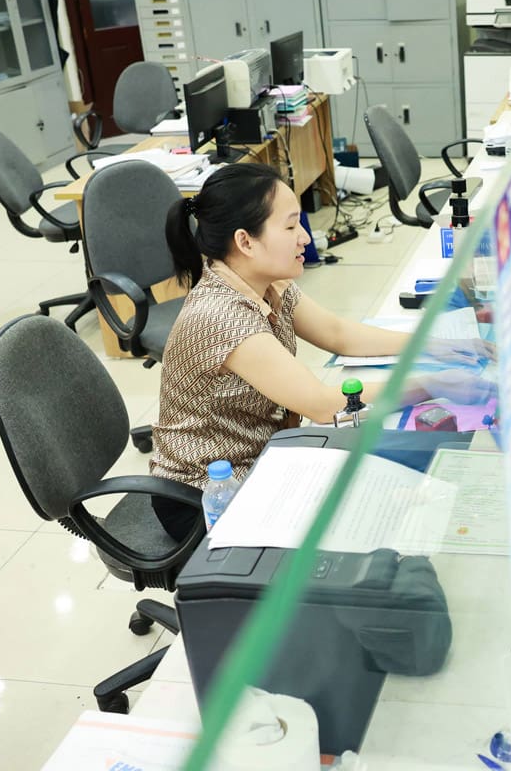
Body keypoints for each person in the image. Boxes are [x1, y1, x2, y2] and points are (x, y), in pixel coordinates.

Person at [150, 163, 491, 539]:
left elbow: (339, 334)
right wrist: (432, 383)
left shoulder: (264, 281)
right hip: (207, 496)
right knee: (386, 506)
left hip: (265, 458)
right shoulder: (220, 317)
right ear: (245, 241)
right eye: (291, 226)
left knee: (405, 469)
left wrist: (435, 344)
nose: (305, 239)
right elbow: (326, 406)